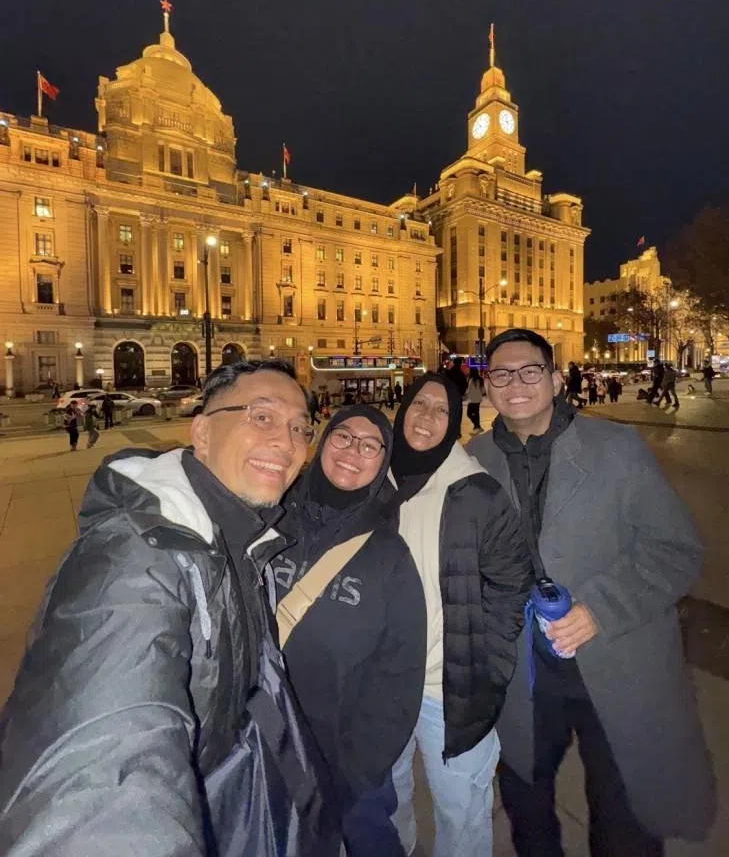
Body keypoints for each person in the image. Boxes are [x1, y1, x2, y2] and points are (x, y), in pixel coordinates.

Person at [0, 360, 341, 857]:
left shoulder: (240, 537)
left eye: (299, 428)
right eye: (261, 417)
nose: (287, 443)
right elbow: (101, 775)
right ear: (201, 432)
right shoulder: (135, 558)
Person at [468, 329, 715, 857]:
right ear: (487, 387)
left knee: (623, 815)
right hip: (523, 674)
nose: (515, 384)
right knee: (527, 807)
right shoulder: (474, 459)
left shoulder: (615, 448)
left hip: (615, 662)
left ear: (557, 380)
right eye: (502, 374)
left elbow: (676, 550)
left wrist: (600, 609)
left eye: (530, 371)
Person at [388, 373, 533, 857]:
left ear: (454, 423)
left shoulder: (475, 491)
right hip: (380, 684)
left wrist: (485, 664)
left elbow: (511, 583)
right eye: (419, 404)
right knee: (388, 802)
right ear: (402, 408)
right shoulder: (373, 479)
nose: (426, 417)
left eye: (442, 410)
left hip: (446, 691)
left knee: (462, 814)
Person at [273, 405, 426, 856]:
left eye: (370, 445)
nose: (353, 451)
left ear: (383, 463)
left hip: (345, 760)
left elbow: (400, 673)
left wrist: (358, 769)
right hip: (265, 745)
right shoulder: (271, 519)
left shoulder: (388, 555)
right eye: (343, 437)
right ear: (322, 443)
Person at [465, 367, 484, 433]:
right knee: (476, 413)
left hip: (472, 399)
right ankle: (477, 426)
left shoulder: (471, 380)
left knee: (469, 413)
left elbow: (469, 390)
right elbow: (483, 390)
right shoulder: (480, 379)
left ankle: (477, 425)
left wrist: (466, 396)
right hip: (478, 399)